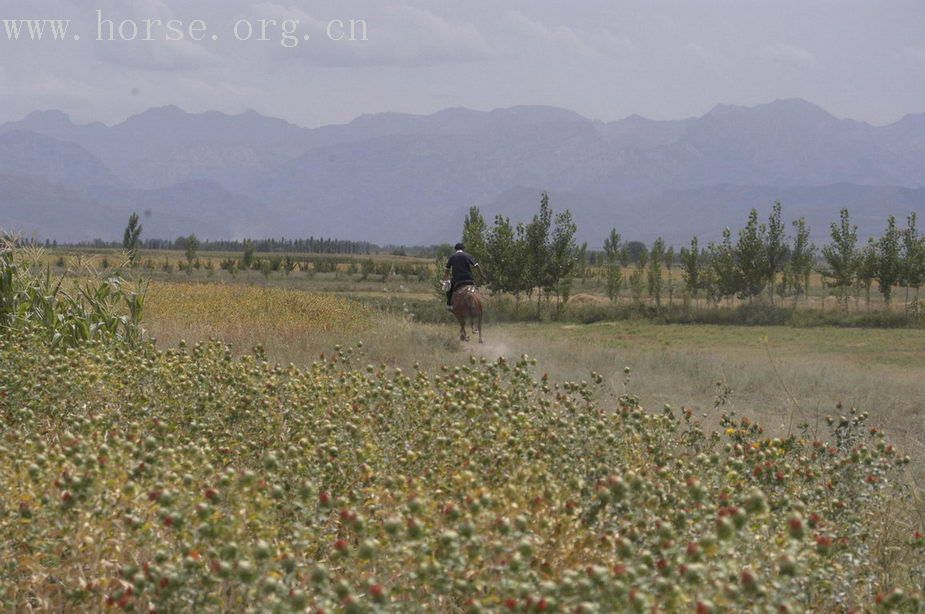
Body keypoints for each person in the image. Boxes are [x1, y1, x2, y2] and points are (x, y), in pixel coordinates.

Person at [443, 243, 483, 310]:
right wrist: (481, 275)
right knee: (476, 288)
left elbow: (447, 270)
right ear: (463, 249)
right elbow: (477, 266)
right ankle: (480, 301)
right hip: (469, 279)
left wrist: (446, 279)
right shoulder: (468, 255)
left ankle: (449, 305)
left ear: (455, 249)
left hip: (457, 280)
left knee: (449, 290)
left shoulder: (452, 257)